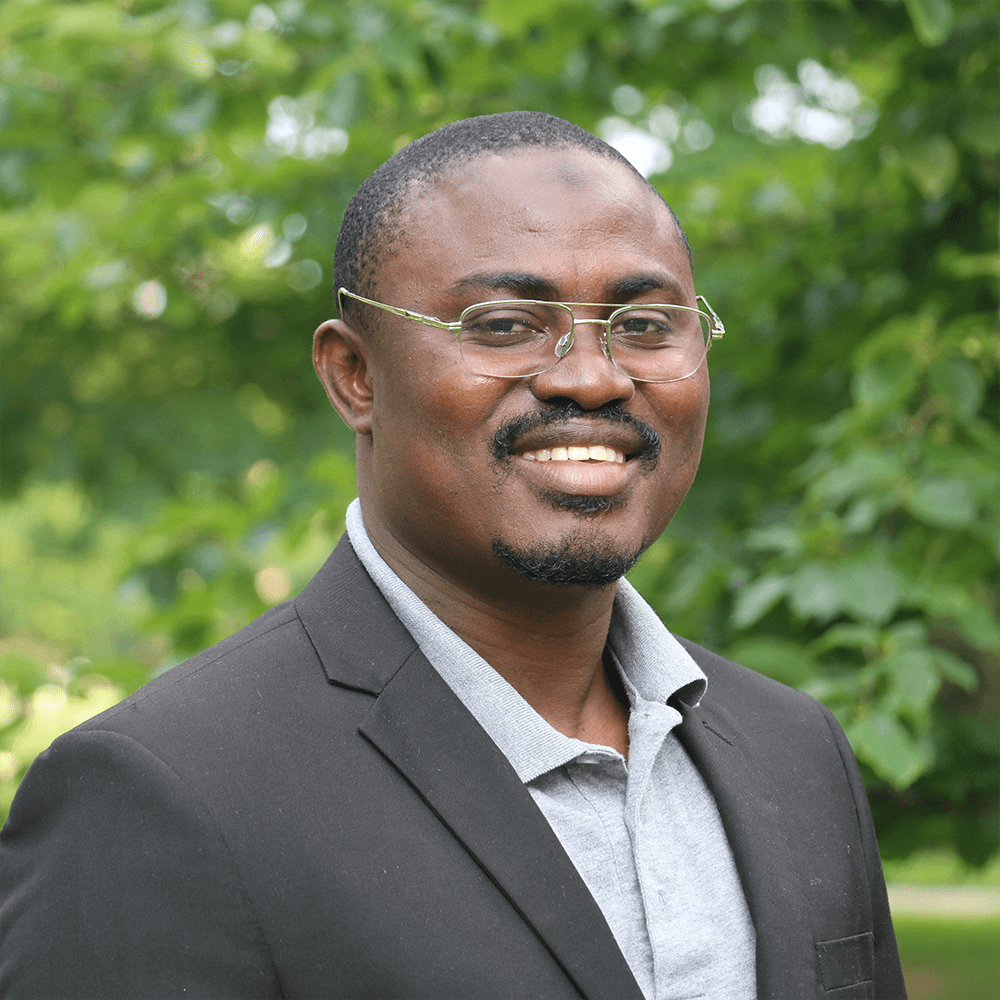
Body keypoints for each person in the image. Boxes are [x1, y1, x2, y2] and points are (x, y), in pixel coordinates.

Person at [0, 111, 906, 1000]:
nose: (592, 377)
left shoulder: (795, 750)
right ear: (355, 376)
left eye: (642, 325)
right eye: (505, 324)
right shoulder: (161, 791)